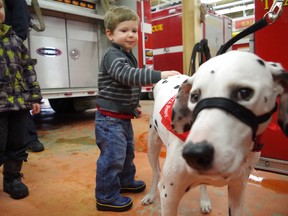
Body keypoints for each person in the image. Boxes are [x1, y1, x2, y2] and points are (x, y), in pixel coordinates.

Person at [95, 5, 180, 212]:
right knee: (112, 156)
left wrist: (134, 106)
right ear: (110, 34)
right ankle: (105, 196)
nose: (131, 35)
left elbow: (125, 87)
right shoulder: (113, 56)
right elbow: (127, 76)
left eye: (134, 30)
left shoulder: (126, 54)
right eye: (124, 31)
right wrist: (159, 75)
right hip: (108, 119)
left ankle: (124, 181)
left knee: (126, 153)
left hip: (121, 116)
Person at [0, 0, 42, 199]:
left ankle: (12, 179)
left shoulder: (15, 40)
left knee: (18, 143)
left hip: (19, 104)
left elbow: (28, 70)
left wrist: (34, 97)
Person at [4, 0, 44, 152]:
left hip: (11, 48)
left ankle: (30, 138)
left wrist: (14, 42)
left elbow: (21, 21)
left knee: (18, 100)